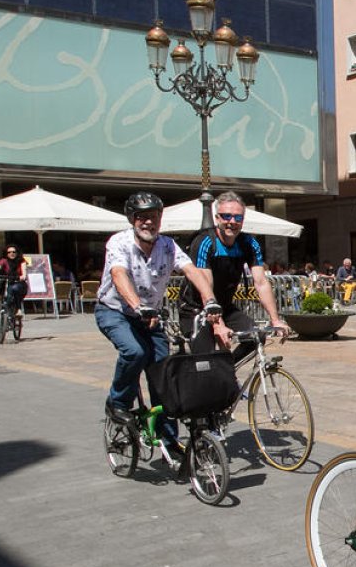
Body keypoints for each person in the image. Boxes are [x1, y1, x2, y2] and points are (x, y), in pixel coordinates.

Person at [95, 192, 221, 448]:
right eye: (142, 217)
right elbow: (119, 274)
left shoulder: (168, 246)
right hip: (115, 311)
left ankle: (168, 439)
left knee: (164, 373)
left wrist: (210, 300)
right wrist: (138, 306)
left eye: (154, 217)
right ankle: (117, 403)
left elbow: (192, 271)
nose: (149, 223)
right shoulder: (119, 242)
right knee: (135, 352)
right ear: (132, 219)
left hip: (149, 317)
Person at [178, 192, 289, 361]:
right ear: (217, 218)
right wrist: (218, 325)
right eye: (226, 216)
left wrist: (275, 320)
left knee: (256, 336)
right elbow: (205, 287)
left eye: (238, 217)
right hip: (196, 308)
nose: (232, 221)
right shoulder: (205, 242)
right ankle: (212, 372)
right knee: (206, 360)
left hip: (225, 306)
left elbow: (261, 283)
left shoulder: (249, 243)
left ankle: (227, 369)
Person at [0, 244, 28, 316]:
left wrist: (22, 277)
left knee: (14, 288)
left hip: (19, 283)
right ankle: (2, 303)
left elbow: (24, 273)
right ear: (6, 253)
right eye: (9, 252)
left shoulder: (22, 261)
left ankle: (19, 309)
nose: (12, 253)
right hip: (8, 282)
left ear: (17, 253)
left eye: (14, 252)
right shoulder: (4, 261)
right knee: (4, 288)